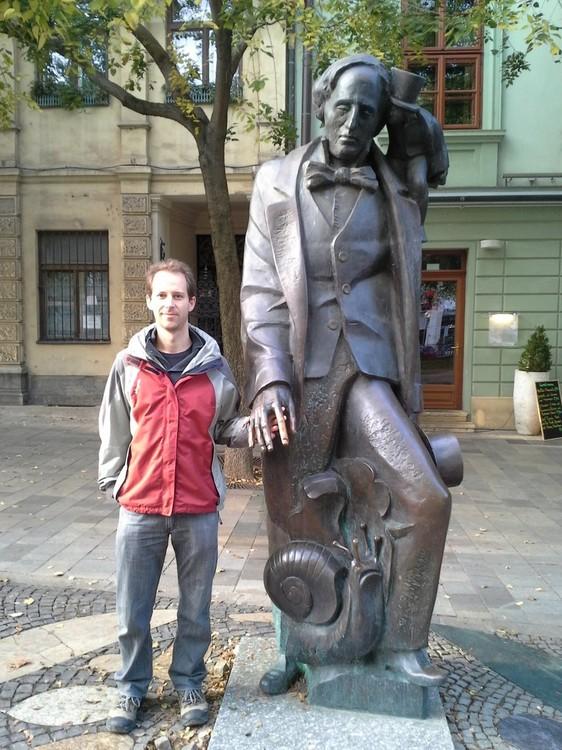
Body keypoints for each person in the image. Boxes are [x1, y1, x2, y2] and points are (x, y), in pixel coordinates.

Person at [241, 54, 452, 691]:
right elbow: (261, 291)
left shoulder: (400, 188)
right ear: (320, 105)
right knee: (292, 514)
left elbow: (429, 148)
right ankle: (294, 648)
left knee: (426, 499)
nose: (354, 121)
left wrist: (403, 112)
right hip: (298, 373)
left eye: (369, 112)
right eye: (344, 106)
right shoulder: (275, 181)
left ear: (383, 121)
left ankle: (402, 642)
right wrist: (269, 378)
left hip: (368, 369)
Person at [98, 258, 247, 734]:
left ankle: (188, 682)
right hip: (139, 505)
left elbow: (225, 426)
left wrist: (255, 428)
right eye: (161, 295)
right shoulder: (129, 365)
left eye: (178, 295)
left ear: (192, 303)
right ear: (149, 301)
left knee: (195, 608)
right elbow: (114, 427)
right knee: (132, 609)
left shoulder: (215, 369)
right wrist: (114, 482)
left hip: (197, 506)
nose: (169, 303)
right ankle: (131, 687)